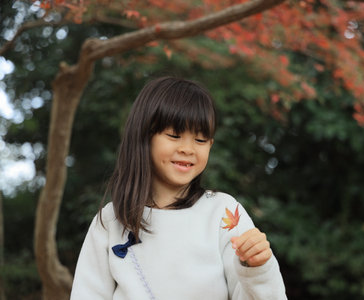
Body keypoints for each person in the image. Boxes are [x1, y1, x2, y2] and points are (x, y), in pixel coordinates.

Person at [70, 76, 287, 300]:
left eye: (200, 140)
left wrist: (257, 268)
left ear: (211, 144)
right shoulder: (111, 220)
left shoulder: (224, 213)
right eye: (174, 135)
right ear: (144, 136)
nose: (187, 149)